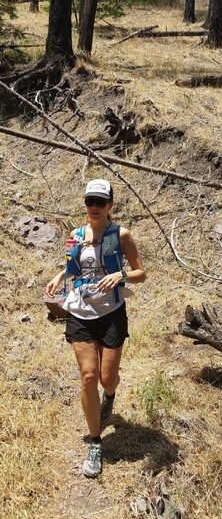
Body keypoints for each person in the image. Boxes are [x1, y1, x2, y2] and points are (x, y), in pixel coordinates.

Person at [46, 178, 146, 478]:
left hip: (112, 312)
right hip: (80, 310)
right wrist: (59, 275)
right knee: (89, 376)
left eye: (100, 202)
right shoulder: (75, 235)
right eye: (90, 201)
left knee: (107, 378)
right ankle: (95, 442)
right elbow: (75, 266)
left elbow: (141, 273)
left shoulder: (121, 234)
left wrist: (122, 277)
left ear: (110, 205)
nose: (94, 207)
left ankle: (111, 396)